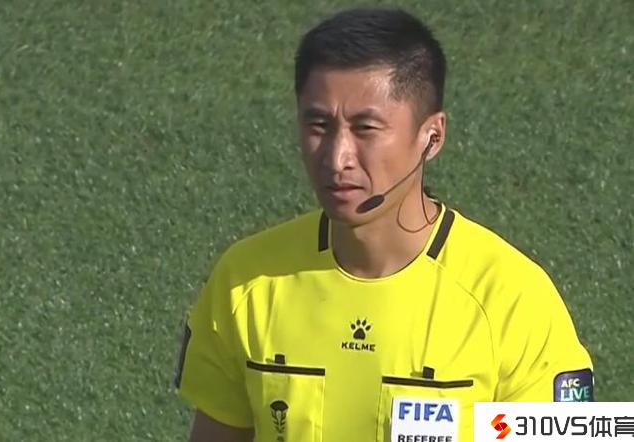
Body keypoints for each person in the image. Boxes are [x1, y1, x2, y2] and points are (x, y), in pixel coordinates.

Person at [174, 8, 594, 442]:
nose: (337, 158)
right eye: (318, 125)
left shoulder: (511, 298)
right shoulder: (246, 280)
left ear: (432, 137)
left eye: (366, 128)